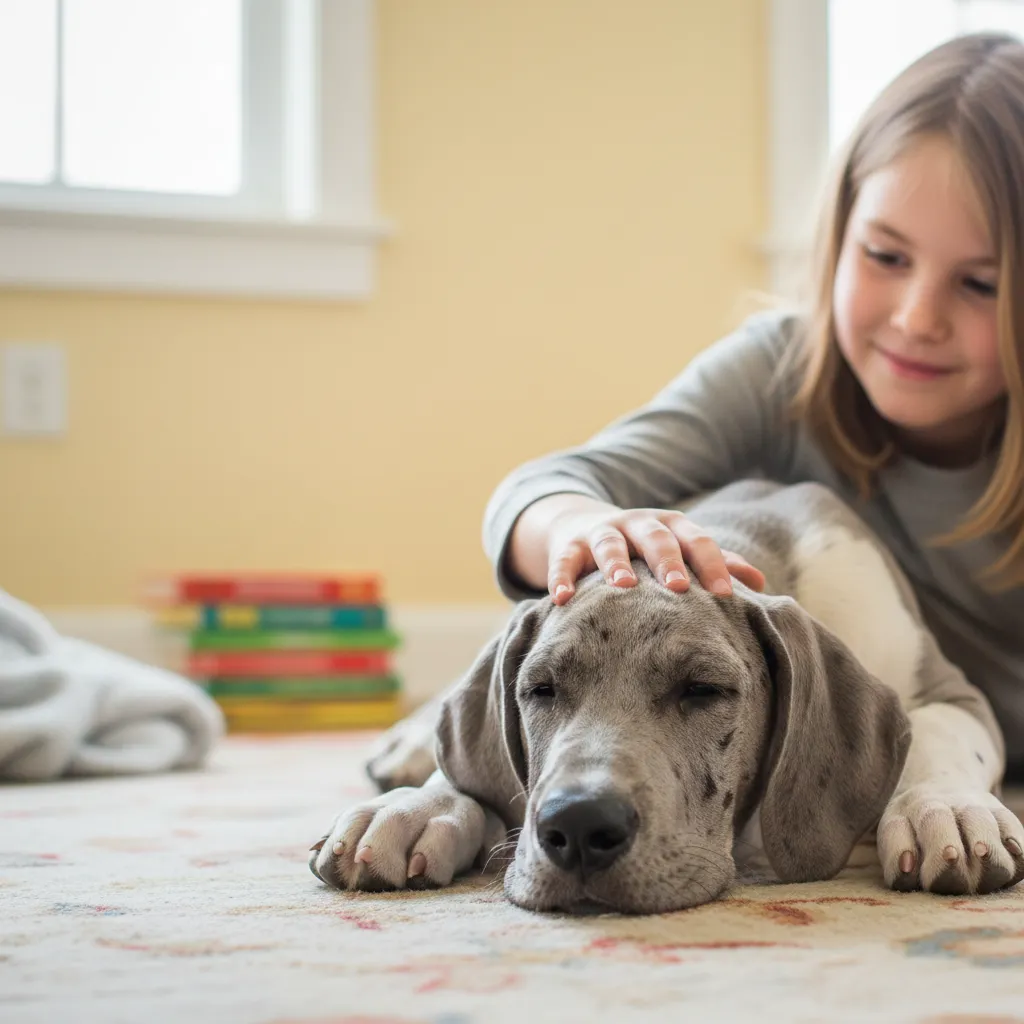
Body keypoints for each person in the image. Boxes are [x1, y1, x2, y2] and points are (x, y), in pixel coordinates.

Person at [481, 32, 1024, 777]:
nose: (915, 317)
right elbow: (538, 489)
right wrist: (587, 525)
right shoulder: (783, 367)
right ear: (839, 236)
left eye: (981, 284)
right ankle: (453, 721)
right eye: (886, 256)